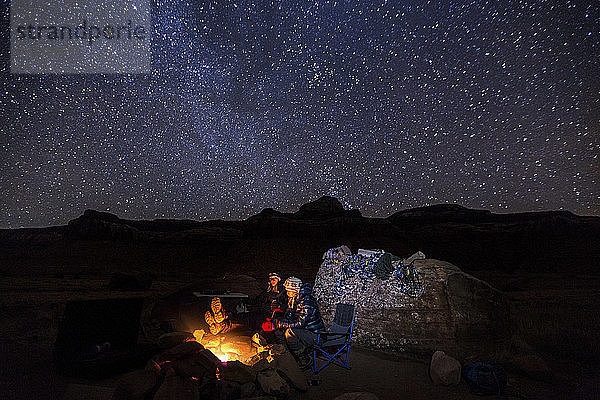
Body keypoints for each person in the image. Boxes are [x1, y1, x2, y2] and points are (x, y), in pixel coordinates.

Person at [275, 277, 325, 369]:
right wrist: (279, 322)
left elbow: (301, 323)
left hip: (315, 335)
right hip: (304, 332)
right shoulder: (294, 299)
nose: (287, 293)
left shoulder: (307, 301)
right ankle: (288, 356)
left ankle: (305, 359)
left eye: (289, 291)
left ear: (295, 290)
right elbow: (289, 317)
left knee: (290, 332)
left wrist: (283, 324)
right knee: (279, 331)